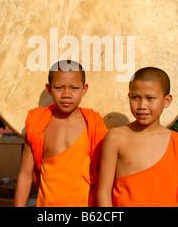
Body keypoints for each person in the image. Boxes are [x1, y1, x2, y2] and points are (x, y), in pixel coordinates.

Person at [97, 67, 178, 207]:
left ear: (167, 100)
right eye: (136, 97)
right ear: (129, 97)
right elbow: (103, 192)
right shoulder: (116, 138)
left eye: (150, 98)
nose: (142, 105)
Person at [14, 60, 108, 207]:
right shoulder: (37, 124)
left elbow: (106, 176)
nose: (66, 94)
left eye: (74, 88)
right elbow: (25, 175)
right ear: (49, 89)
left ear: (84, 89)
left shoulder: (93, 124)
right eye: (59, 88)